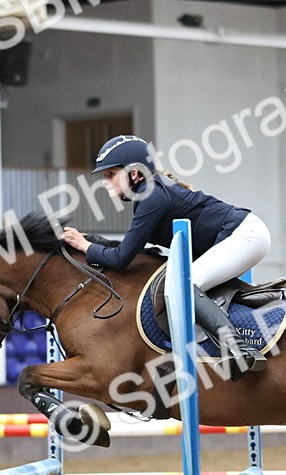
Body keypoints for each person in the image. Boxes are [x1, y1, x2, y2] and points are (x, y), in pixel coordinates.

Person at [61, 135, 270, 379]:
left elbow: (121, 259)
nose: (106, 182)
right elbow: (131, 248)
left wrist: (86, 246)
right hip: (240, 234)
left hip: (244, 235)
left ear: (135, 174)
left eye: (111, 174)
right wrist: (92, 243)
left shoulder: (152, 196)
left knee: (183, 286)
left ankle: (238, 348)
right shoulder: (150, 194)